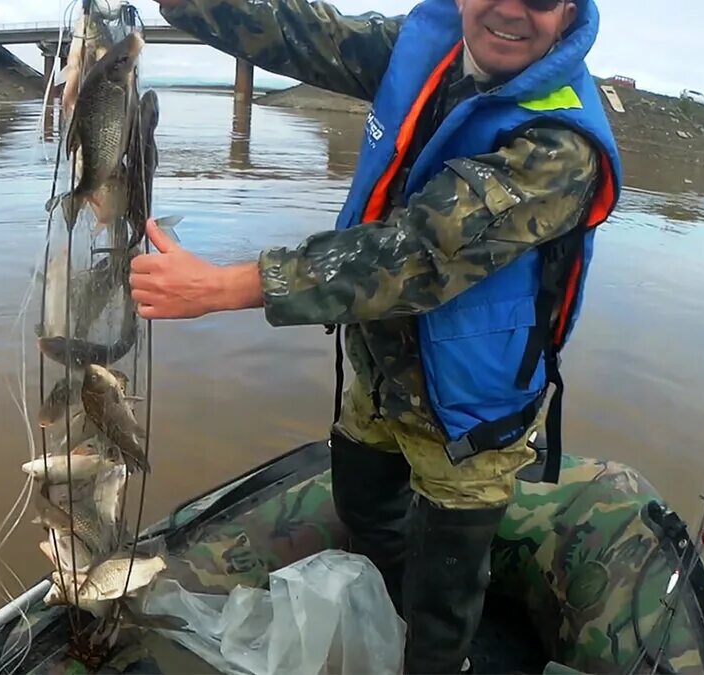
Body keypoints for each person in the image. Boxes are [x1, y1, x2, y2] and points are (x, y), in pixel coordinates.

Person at [129, 0, 623, 672]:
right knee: (364, 500)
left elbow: (414, 254)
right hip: (380, 371)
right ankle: (387, 603)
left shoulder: (560, 149)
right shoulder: (429, 44)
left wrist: (223, 287)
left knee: (444, 607)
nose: (510, 11)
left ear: (568, 10)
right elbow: (303, 31)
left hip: (470, 412)